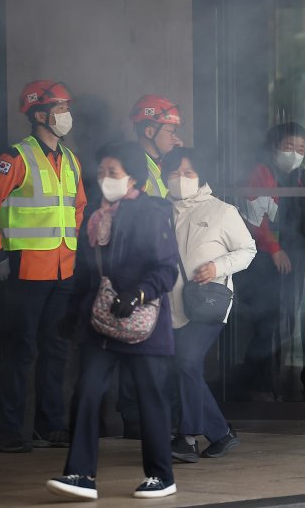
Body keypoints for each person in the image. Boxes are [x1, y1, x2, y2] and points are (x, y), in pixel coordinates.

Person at [46, 141, 179, 500]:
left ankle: (161, 476)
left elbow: (167, 271)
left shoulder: (151, 213)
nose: (105, 178)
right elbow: (86, 274)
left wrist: (136, 294)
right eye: (102, 172)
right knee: (86, 393)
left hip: (143, 324)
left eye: (113, 173)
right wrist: (71, 314)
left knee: (150, 398)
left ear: (132, 177)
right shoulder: (96, 216)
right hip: (100, 322)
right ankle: (80, 475)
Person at [0, 80, 87, 452]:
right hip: (24, 271)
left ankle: (50, 425)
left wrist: (74, 249)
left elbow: (78, 208)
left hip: (63, 270)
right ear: (40, 114)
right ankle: (8, 431)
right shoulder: (15, 157)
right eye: (60, 108)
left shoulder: (72, 160)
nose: (65, 115)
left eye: (65, 107)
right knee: (20, 350)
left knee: (57, 349)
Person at [163, 147, 255, 462]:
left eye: (188, 173)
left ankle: (187, 437)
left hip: (207, 304)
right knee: (184, 367)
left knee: (187, 363)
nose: (180, 179)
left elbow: (248, 249)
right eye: (174, 173)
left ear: (201, 175)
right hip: (169, 304)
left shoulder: (222, 211)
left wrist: (218, 267)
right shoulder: (161, 211)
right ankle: (220, 434)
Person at [236, 122, 305, 400]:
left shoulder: (302, 178)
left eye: (300, 148)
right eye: (289, 147)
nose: (295, 153)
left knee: (287, 319)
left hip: (297, 260)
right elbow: (253, 216)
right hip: (266, 262)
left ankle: (267, 379)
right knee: (269, 321)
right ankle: (256, 380)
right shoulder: (262, 173)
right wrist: (273, 249)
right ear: (275, 147)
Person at [117, 94, 183, 437]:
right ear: (148, 128)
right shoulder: (133, 165)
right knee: (134, 344)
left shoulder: (163, 167)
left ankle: (154, 417)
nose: (175, 137)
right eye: (169, 129)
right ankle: (133, 418)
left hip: (160, 269)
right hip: (139, 270)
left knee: (156, 348)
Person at [129, 94, 183, 198]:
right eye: (171, 131)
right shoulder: (134, 170)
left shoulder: (161, 162)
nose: (175, 138)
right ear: (150, 132)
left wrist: (178, 159)